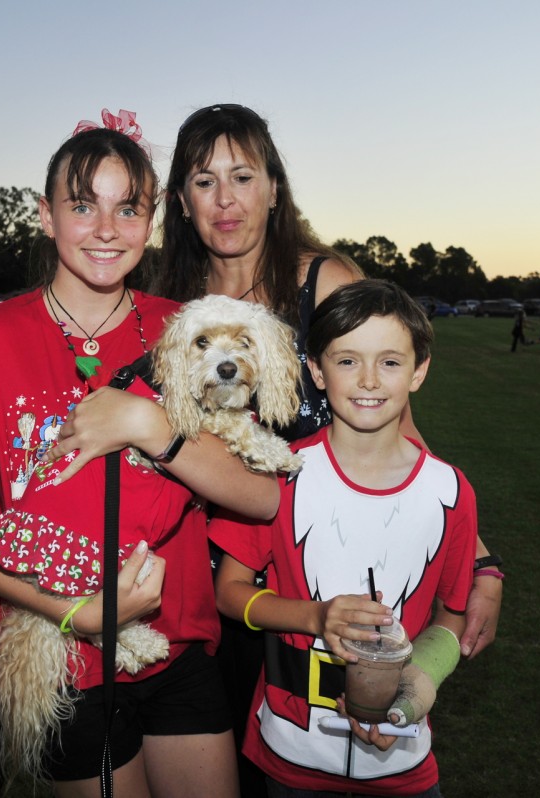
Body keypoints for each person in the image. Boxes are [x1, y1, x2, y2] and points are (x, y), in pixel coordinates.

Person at [58, 103, 502, 795]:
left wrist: (478, 559)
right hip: (205, 569)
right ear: (182, 202)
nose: (226, 200)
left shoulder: (321, 282)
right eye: (204, 181)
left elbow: (397, 430)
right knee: (233, 762)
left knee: (319, 743)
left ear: (273, 187)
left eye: (243, 177)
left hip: (310, 563)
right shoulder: (171, 302)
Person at [0, 117, 278, 798]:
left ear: (151, 221)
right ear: (46, 216)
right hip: (66, 653)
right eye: (83, 206)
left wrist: (151, 425)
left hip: (178, 642)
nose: (106, 229)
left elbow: (260, 496)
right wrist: (76, 614)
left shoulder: (188, 329)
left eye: (128, 208)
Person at [210, 279, 478, 797]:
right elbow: (228, 592)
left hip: (402, 762)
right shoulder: (275, 473)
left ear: (419, 371)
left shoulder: (450, 491)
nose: (369, 380)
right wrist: (315, 617)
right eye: (348, 361)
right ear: (316, 370)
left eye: (390, 362)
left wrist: (413, 692)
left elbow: (452, 615)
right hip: (291, 753)